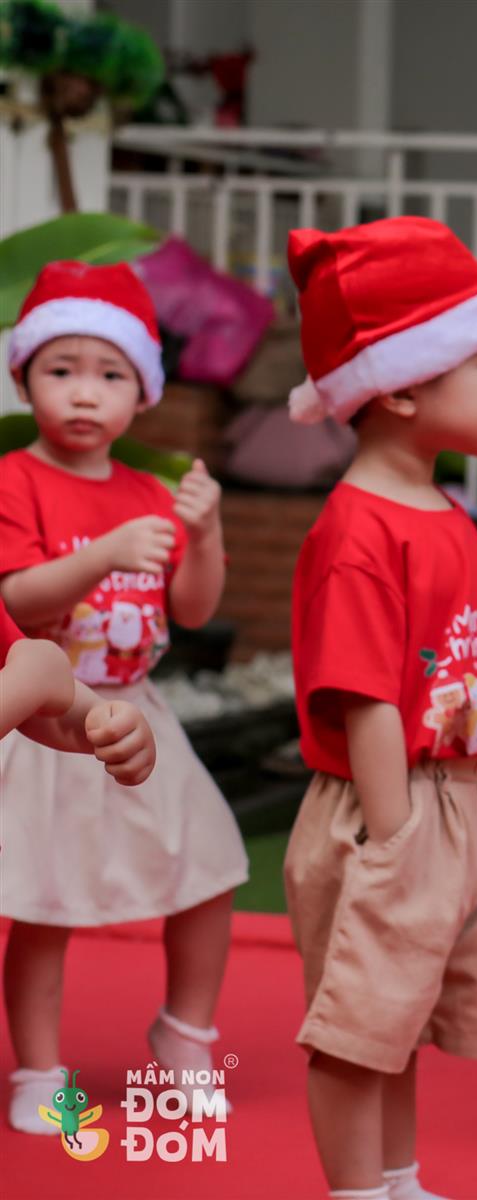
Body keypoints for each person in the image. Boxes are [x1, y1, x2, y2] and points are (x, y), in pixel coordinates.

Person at [282, 216, 477, 1200]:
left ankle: (399, 1180)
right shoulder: (359, 531)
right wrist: (395, 841)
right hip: (387, 807)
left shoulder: (446, 513)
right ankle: (359, 1191)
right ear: (400, 386)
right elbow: (367, 699)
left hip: (452, 800)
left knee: (403, 1019)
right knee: (359, 1030)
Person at [0, 261, 219, 1132]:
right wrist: (103, 555)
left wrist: (203, 533)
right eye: (62, 369)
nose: (85, 392)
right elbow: (14, 603)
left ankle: (187, 1033)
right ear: (24, 378)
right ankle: (37, 1072)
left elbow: (192, 610)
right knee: (45, 905)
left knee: (207, 871)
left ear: (143, 393)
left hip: (139, 714)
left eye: (111, 374)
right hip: (45, 721)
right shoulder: (14, 479)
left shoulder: (147, 493)